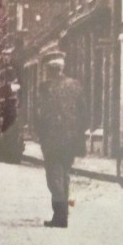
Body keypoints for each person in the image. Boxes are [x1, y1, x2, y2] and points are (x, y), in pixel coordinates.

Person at [35, 51, 86, 228]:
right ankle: (62, 215)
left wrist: (40, 135)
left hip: (52, 140)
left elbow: (41, 113)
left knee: (54, 178)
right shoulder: (76, 85)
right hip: (71, 141)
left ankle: (60, 216)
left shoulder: (45, 87)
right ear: (62, 68)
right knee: (65, 176)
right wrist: (79, 135)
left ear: (49, 69)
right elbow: (84, 113)